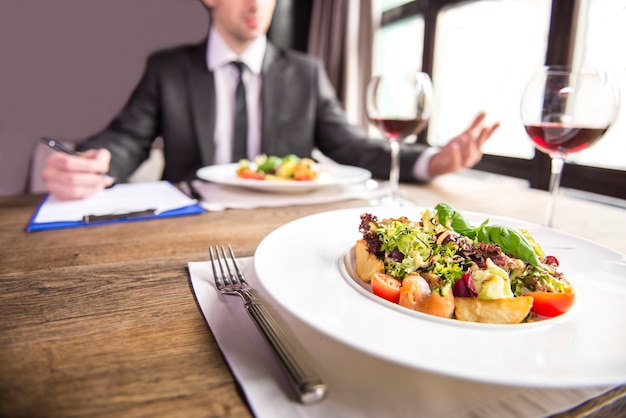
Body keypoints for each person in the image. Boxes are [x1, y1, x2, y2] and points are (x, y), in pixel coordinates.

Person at [42, 0, 499, 200]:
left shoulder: (306, 72)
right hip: (188, 223)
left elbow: (351, 146)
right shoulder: (168, 68)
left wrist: (430, 162)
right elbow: (127, 137)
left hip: (283, 223)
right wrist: (97, 163)